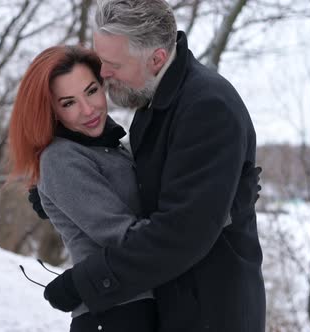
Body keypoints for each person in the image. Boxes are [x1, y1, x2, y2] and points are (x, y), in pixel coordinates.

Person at [35, 1, 267, 331]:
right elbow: (155, 194)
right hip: (173, 303)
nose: (103, 74)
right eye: (101, 61)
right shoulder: (155, 101)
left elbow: (181, 234)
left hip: (210, 312)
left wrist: (86, 281)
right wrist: (59, 193)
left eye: (113, 64)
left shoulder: (206, 107)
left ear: (156, 59)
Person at [8, 45, 158, 332]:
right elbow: (127, 239)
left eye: (91, 91)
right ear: (51, 111)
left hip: (139, 307)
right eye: (68, 103)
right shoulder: (61, 159)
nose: (88, 110)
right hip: (115, 314)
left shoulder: (113, 148)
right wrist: (208, 215)